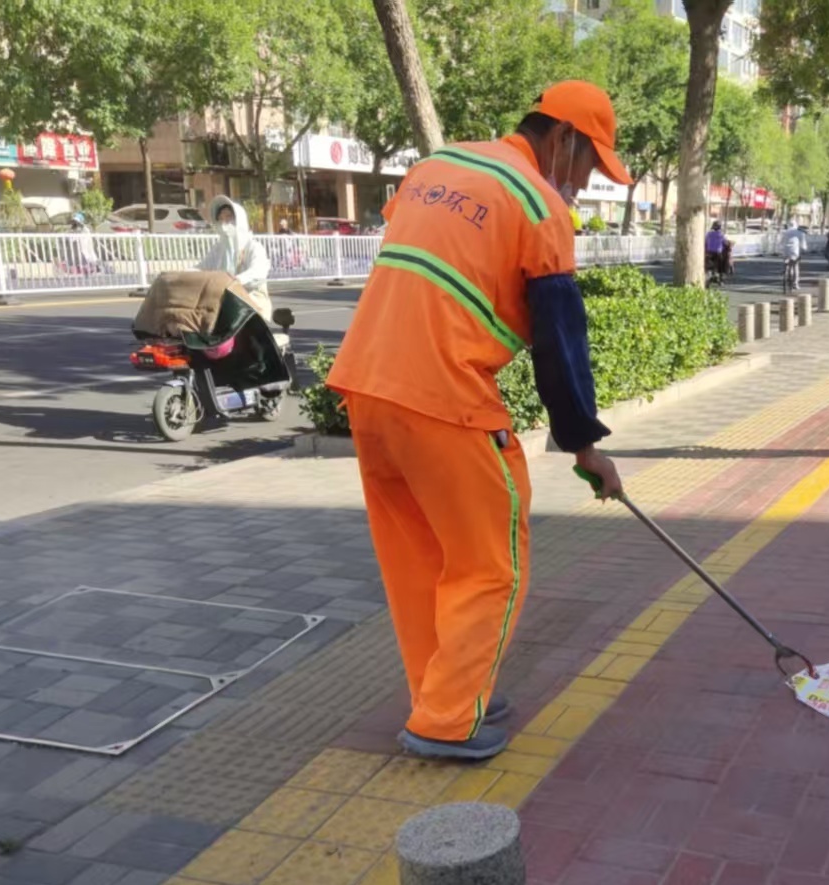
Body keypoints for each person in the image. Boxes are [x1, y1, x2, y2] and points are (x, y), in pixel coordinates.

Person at [325, 81, 628, 760]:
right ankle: (446, 719)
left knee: (422, 561)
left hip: (366, 388)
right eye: (590, 164)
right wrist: (586, 449)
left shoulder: (436, 166)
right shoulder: (539, 205)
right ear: (564, 138)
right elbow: (559, 345)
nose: (586, 183)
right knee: (493, 564)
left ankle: (447, 693)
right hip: (444, 397)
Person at [198, 196, 273, 321]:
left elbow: (257, 271)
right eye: (221, 219)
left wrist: (233, 281)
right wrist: (182, 274)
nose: (224, 223)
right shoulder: (219, 249)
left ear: (239, 220)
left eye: (228, 217)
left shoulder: (253, 247)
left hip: (251, 303)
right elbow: (202, 267)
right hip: (222, 300)